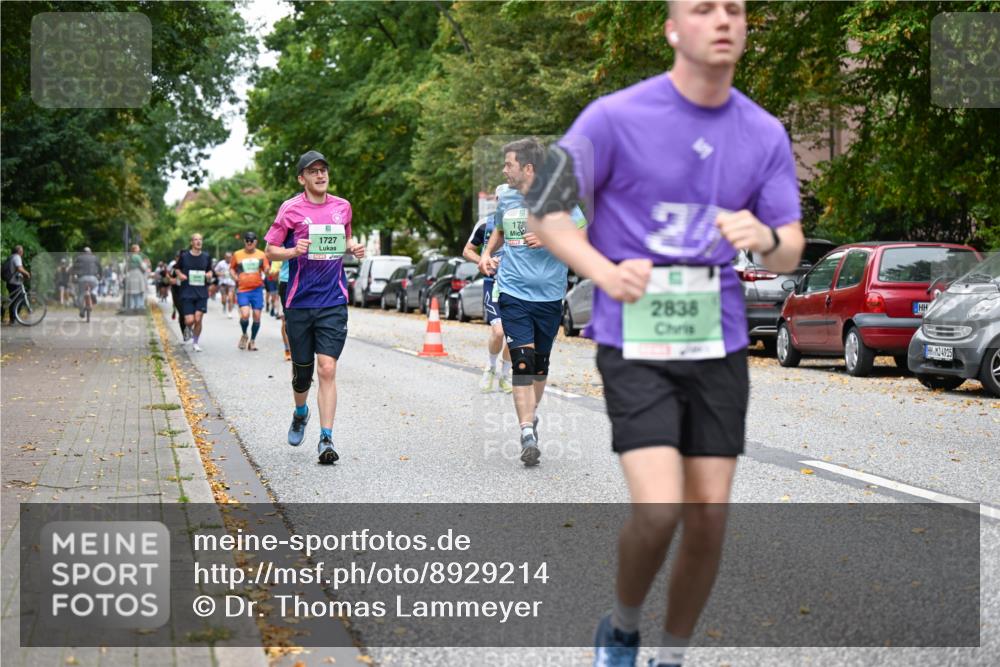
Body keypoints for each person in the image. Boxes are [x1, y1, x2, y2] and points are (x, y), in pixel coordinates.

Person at [525, 2, 806, 665]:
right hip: (636, 337)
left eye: (734, 8)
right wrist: (602, 270)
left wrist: (764, 238)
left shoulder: (762, 133)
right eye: (703, 8)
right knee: (660, 509)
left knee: (707, 514)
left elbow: (790, 245)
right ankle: (621, 626)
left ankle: (670, 655)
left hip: (718, 338)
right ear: (672, 30)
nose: (723, 19)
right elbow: (547, 210)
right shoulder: (615, 117)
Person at [478, 138, 587, 467]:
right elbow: (497, 229)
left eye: (509, 164)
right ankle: (527, 431)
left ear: (528, 168)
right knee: (523, 363)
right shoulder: (506, 196)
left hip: (550, 296)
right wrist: (486, 254)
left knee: (539, 367)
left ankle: (531, 416)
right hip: (513, 292)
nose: (504, 169)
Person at [264, 150, 365, 465]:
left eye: (324, 170)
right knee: (302, 375)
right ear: (302, 178)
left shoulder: (342, 207)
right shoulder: (290, 210)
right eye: (313, 171)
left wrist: (353, 247)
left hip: (332, 300)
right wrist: (294, 250)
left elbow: (345, 240)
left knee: (328, 368)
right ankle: (300, 412)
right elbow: (270, 250)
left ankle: (326, 438)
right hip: (299, 302)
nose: (320, 175)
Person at [462, 190, 512, 394]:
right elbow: (467, 251)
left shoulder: (524, 221)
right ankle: (490, 368)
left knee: (512, 335)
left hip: (516, 286)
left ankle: (505, 375)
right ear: (497, 201)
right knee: (498, 331)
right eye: (503, 199)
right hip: (493, 285)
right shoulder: (486, 224)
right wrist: (484, 260)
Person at [174, 234, 214, 352]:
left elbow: (210, 270)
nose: (198, 241)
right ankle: (187, 327)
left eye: (200, 239)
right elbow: (177, 268)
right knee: (190, 320)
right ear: (191, 242)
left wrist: (209, 274)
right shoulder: (184, 256)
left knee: (198, 319)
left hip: (201, 293)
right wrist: (180, 275)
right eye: (196, 239)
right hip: (187, 292)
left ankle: (195, 342)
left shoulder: (206, 256)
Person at [230, 231, 270, 351]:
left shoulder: (261, 255)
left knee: (257, 316)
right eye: (247, 240)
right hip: (243, 289)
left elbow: (266, 268)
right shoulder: (237, 254)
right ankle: (244, 334)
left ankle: (252, 340)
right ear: (244, 241)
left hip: (257, 289)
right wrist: (234, 276)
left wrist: (268, 270)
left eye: (251, 241)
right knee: (245, 314)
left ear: (256, 242)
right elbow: (232, 268)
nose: (249, 243)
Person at [3, 245, 31, 324]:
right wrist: (27, 273)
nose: (22, 252)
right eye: (22, 250)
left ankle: (12, 319)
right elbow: (19, 268)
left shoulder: (11, 257)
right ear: (19, 251)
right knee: (19, 301)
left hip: (10, 282)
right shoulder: (17, 257)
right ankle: (13, 319)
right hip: (14, 282)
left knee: (13, 301)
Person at [71, 247, 102, 319]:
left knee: (81, 295)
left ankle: (82, 311)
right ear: (90, 252)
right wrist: (100, 277)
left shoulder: (78, 258)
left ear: (83, 252)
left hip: (82, 278)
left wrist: (73, 277)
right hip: (93, 278)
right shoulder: (95, 258)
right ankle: (94, 293)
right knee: (96, 286)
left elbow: (73, 269)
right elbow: (100, 268)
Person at [125, 244, 149, 312]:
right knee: (139, 291)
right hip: (138, 274)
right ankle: (138, 306)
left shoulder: (129, 257)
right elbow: (142, 266)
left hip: (131, 274)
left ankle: (132, 306)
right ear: (134, 249)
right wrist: (145, 269)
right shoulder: (137, 257)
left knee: (132, 292)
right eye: (138, 248)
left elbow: (126, 267)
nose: (139, 249)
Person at [277, 258, 291, 361]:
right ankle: (287, 349)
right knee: (286, 319)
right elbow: (274, 269)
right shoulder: (281, 242)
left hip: (306, 282)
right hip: (286, 281)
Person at [214, 252, 236, 318]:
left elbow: (238, 271)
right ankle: (224, 305)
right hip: (223, 283)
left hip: (231, 283)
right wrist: (221, 274)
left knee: (230, 297)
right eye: (227, 257)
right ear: (225, 257)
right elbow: (216, 271)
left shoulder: (234, 263)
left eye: (230, 257)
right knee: (223, 299)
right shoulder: (221, 263)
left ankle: (230, 312)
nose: (228, 259)